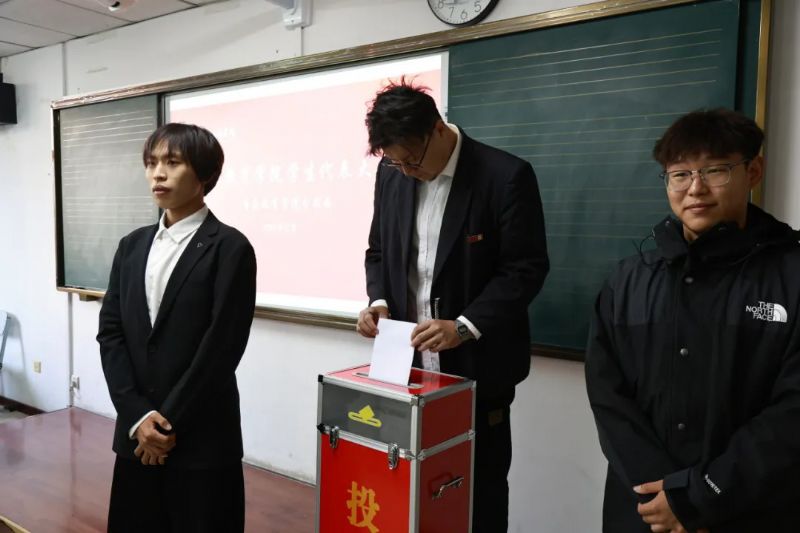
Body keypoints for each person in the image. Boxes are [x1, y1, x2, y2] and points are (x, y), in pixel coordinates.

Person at [585, 108, 800, 532]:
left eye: (715, 170)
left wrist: (701, 497)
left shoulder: (791, 275)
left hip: (750, 510)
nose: (695, 188)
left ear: (753, 171)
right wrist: (668, 497)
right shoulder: (629, 279)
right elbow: (609, 398)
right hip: (646, 511)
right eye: (680, 174)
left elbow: (792, 412)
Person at [356, 79, 549, 531]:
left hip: (479, 370)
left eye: (413, 160)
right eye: (396, 162)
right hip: (407, 367)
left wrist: (463, 325)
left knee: (478, 493)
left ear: (438, 130)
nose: (407, 171)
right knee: (410, 490)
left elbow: (525, 268)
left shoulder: (505, 176)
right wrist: (378, 301)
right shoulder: (391, 173)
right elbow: (378, 250)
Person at [97, 123, 257, 533]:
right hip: (136, 437)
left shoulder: (230, 248)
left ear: (205, 174)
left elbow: (221, 348)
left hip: (202, 438)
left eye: (172, 162)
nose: (158, 173)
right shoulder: (131, 246)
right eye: (151, 163)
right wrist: (138, 417)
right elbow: (112, 335)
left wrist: (166, 425)